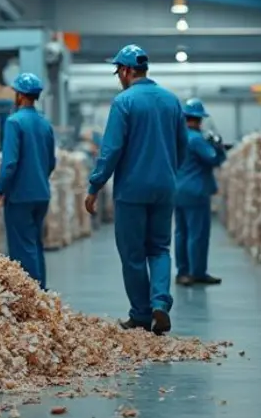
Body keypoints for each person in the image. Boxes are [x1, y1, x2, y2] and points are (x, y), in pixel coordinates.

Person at [85, 45, 187, 335]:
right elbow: (183, 146)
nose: (118, 77)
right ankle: (160, 304)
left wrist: (95, 185)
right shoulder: (171, 101)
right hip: (165, 187)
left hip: (132, 190)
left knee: (132, 254)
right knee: (159, 248)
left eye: (118, 71)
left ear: (128, 70)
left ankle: (141, 314)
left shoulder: (124, 102)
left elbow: (111, 149)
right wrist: (168, 172)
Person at [0, 72, 56, 289]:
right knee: (35, 245)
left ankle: (33, 295)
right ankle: (42, 292)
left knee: (22, 248)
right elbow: (51, 162)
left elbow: (10, 162)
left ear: (19, 95)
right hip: (41, 194)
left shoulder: (14, 122)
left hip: (20, 195)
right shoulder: (45, 125)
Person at [174, 97, 226, 287]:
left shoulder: (177, 138)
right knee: (198, 233)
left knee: (181, 232)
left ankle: (182, 272)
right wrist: (218, 147)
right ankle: (197, 272)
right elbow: (213, 159)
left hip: (177, 190)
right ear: (199, 119)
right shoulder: (196, 139)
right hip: (196, 191)